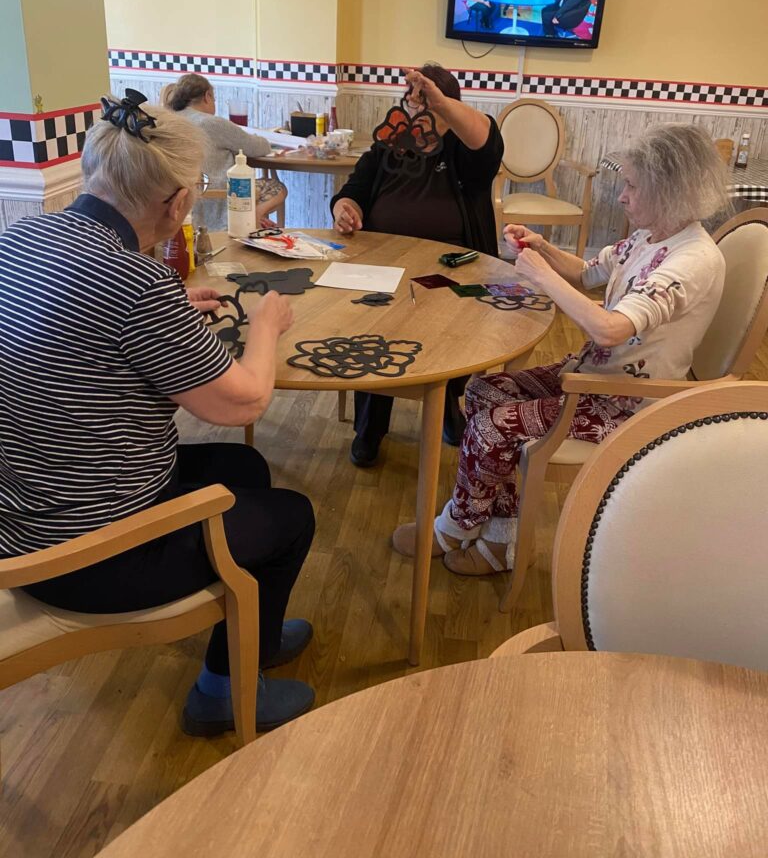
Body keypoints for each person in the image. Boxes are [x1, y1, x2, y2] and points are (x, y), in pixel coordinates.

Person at [0, 92, 315, 734]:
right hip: (85, 555)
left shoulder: (21, 237)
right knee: (292, 516)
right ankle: (220, 693)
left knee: (245, 469)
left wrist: (168, 312)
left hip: (26, 508)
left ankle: (252, 630)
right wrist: (265, 326)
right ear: (176, 204)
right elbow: (245, 400)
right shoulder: (135, 284)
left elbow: (86, 335)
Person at [392, 125, 730, 574]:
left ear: (668, 189)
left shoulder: (691, 261)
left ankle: (455, 525)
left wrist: (541, 275)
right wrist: (543, 247)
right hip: (595, 376)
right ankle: (499, 536)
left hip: (629, 403)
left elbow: (609, 330)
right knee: (482, 391)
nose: (622, 197)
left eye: (632, 186)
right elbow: (589, 273)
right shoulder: (652, 235)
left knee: (492, 427)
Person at [331, 64, 504, 467]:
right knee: (374, 328)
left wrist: (440, 103)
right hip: (383, 262)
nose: (417, 113)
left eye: (428, 105)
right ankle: (370, 426)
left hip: (455, 268)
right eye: (411, 104)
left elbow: (487, 141)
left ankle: (446, 402)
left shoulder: (464, 150)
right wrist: (345, 208)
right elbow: (352, 191)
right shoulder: (388, 145)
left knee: (449, 331)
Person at [162, 74, 286, 230]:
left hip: (181, 204)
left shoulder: (167, 121)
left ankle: (256, 219)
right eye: (214, 99)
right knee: (277, 187)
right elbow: (258, 147)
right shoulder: (212, 123)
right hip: (219, 199)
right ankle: (254, 217)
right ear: (207, 96)